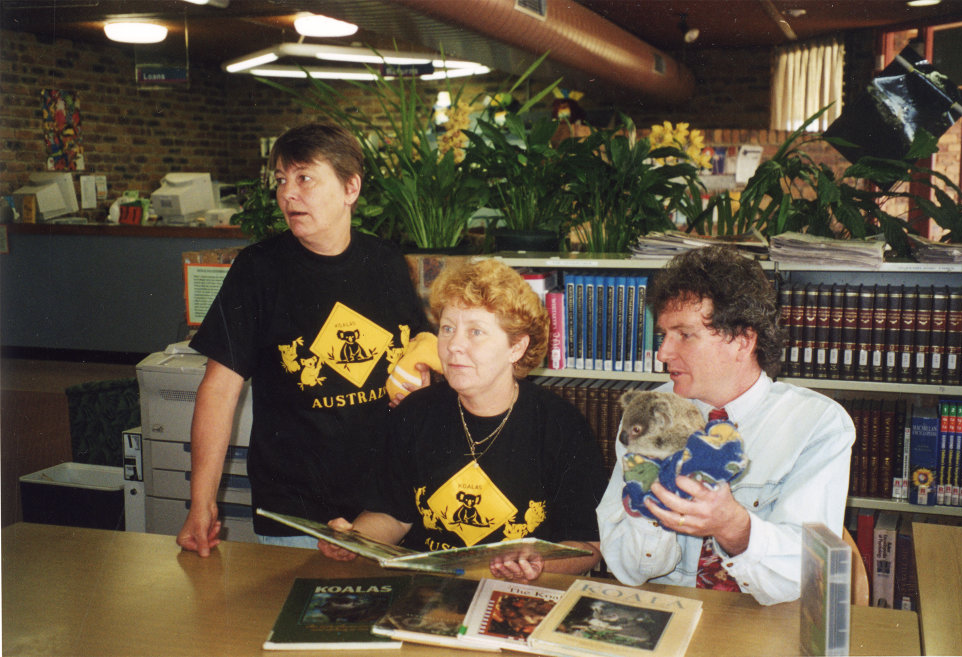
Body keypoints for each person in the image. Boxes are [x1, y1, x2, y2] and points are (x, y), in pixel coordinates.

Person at [176, 122, 430, 555]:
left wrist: (417, 378)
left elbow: (417, 347)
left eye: (304, 178)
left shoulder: (386, 262)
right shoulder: (258, 270)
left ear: (351, 188)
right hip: (296, 510)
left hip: (386, 505)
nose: (287, 194)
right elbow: (219, 391)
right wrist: (201, 503)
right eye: (281, 180)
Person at [597, 245, 854, 605]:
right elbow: (627, 569)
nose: (663, 354)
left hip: (762, 628)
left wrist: (735, 527)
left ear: (742, 341)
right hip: (668, 615)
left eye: (685, 335)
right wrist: (653, 506)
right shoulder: (650, 412)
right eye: (663, 335)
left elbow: (805, 578)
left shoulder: (818, 425)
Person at [320, 259, 605, 581]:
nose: (454, 346)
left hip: (521, 596)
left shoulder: (562, 427)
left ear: (516, 347)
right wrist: (354, 541)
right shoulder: (415, 413)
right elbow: (392, 515)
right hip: (427, 587)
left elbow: (588, 546)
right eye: (447, 328)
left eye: (476, 332)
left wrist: (539, 566)